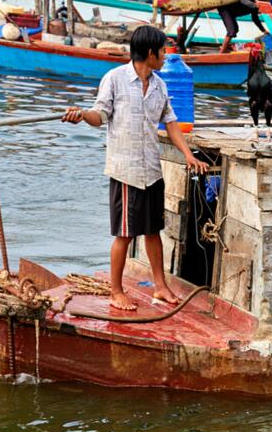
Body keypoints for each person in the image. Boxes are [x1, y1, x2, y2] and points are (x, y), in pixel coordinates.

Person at [62, 25, 209, 311]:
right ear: (150, 52)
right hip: (126, 171)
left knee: (153, 231)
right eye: (163, 50)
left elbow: (170, 122)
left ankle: (161, 287)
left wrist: (188, 155)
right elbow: (99, 114)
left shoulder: (159, 85)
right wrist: (81, 115)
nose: (166, 55)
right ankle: (116, 291)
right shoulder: (115, 79)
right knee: (125, 234)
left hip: (152, 170)